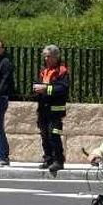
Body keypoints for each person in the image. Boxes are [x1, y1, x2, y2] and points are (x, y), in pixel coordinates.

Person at [33, 45, 69, 174]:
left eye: (48, 56)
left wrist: (46, 89)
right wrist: (36, 88)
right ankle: (48, 158)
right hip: (43, 109)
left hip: (55, 111)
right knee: (44, 135)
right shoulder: (44, 71)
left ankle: (58, 160)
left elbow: (62, 88)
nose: (46, 58)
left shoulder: (62, 71)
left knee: (54, 134)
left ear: (55, 56)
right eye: (45, 56)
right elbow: (38, 84)